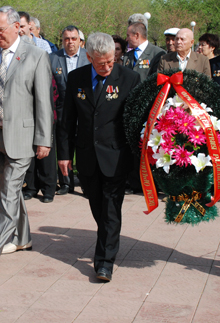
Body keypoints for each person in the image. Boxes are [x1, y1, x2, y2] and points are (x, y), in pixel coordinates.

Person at [57, 32, 140, 282]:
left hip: (115, 155)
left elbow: (135, 120)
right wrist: (64, 154)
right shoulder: (76, 78)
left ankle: (104, 261)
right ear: (89, 57)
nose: (106, 67)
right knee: (97, 205)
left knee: (111, 208)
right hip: (86, 155)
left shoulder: (129, 78)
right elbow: (67, 120)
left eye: (110, 62)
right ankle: (107, 238)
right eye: (100, 63)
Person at [0, 6, 53, 268]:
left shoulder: (36, 56)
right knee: (5, 190)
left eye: (1, 29)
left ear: (16, 27)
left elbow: (43, 102)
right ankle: (23, 238)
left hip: (22, 136)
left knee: (9, 190)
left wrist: (44, 139)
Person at [51, 26, 90, 196]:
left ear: (80, 41)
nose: (70, 42)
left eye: (74, 38)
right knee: (64, 146)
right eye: (66, 39)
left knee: (84, 149)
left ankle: (86, 182)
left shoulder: (89, 57)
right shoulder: (53, 58)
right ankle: (66, 183)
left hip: (84, 110)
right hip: (62, 111)